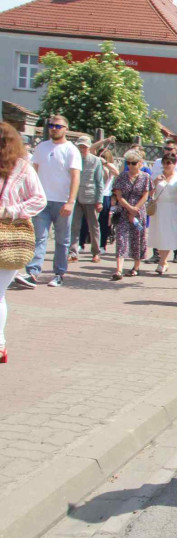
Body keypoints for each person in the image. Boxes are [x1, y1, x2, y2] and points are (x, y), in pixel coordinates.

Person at [0, 122, 46, 362]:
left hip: (9, 238)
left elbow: (39, 200)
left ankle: (0, 343)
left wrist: (11, 210)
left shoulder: (23, 168)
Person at [21, 115, 80, 288]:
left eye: (58, 126)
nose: (54, 128)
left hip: (62, 201)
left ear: (65, 129)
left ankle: (59, 273)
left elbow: (75, 177)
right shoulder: (41, 147)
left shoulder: (71, 150)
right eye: (52, 125)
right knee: (39, 237)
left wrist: (70, 201)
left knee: (62, 240)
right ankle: (32, 273)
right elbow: (34, 172)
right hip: (42, 201)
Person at [110, 149, 152, 280]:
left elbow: (146, 195)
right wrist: (129, 208)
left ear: (140, 163)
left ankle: (136, 267)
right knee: (121, 238)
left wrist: (135, 209)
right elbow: (118, 195)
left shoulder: (146, 177)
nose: (130, 165)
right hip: (123, 210)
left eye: (133, 163)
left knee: (138, 238)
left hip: (139, 212)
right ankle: (119, 269)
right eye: (128, 162)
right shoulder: (122, 176)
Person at [69, 136, 105, 264]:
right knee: (74, 226)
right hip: (76, 196)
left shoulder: (96, 161)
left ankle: (96, 253)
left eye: (84, 146)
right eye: (80, 146)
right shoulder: (74, 159)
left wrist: (99, 200)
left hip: (91, 197)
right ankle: (73, 253)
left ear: (89, 147)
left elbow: (100, 182)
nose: (82, 149)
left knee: (94, 226)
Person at [148, 153, 177, 275]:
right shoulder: (158, 176)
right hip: (160, 207)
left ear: (174, 164)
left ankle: (162, 261)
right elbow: (149, 193)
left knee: (169, 234)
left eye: (169, 163)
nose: (166, 165)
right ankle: (163, 262)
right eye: (164, 163)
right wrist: (154, 182)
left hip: (173, 207)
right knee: (159, 234)